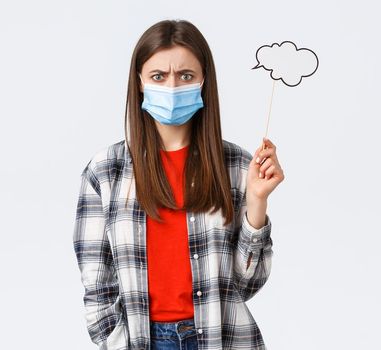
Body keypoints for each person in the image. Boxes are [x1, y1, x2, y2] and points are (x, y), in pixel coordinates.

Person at [72, 19, 284, 350]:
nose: (172, 87)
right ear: (140, 82)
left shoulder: (238, 166)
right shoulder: (105, 171)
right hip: (144, 341)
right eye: (159, 76)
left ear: (203, 81)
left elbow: (248, 285)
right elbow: (97, 288)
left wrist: (257, 203)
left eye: (185, 76)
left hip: (223, 339)